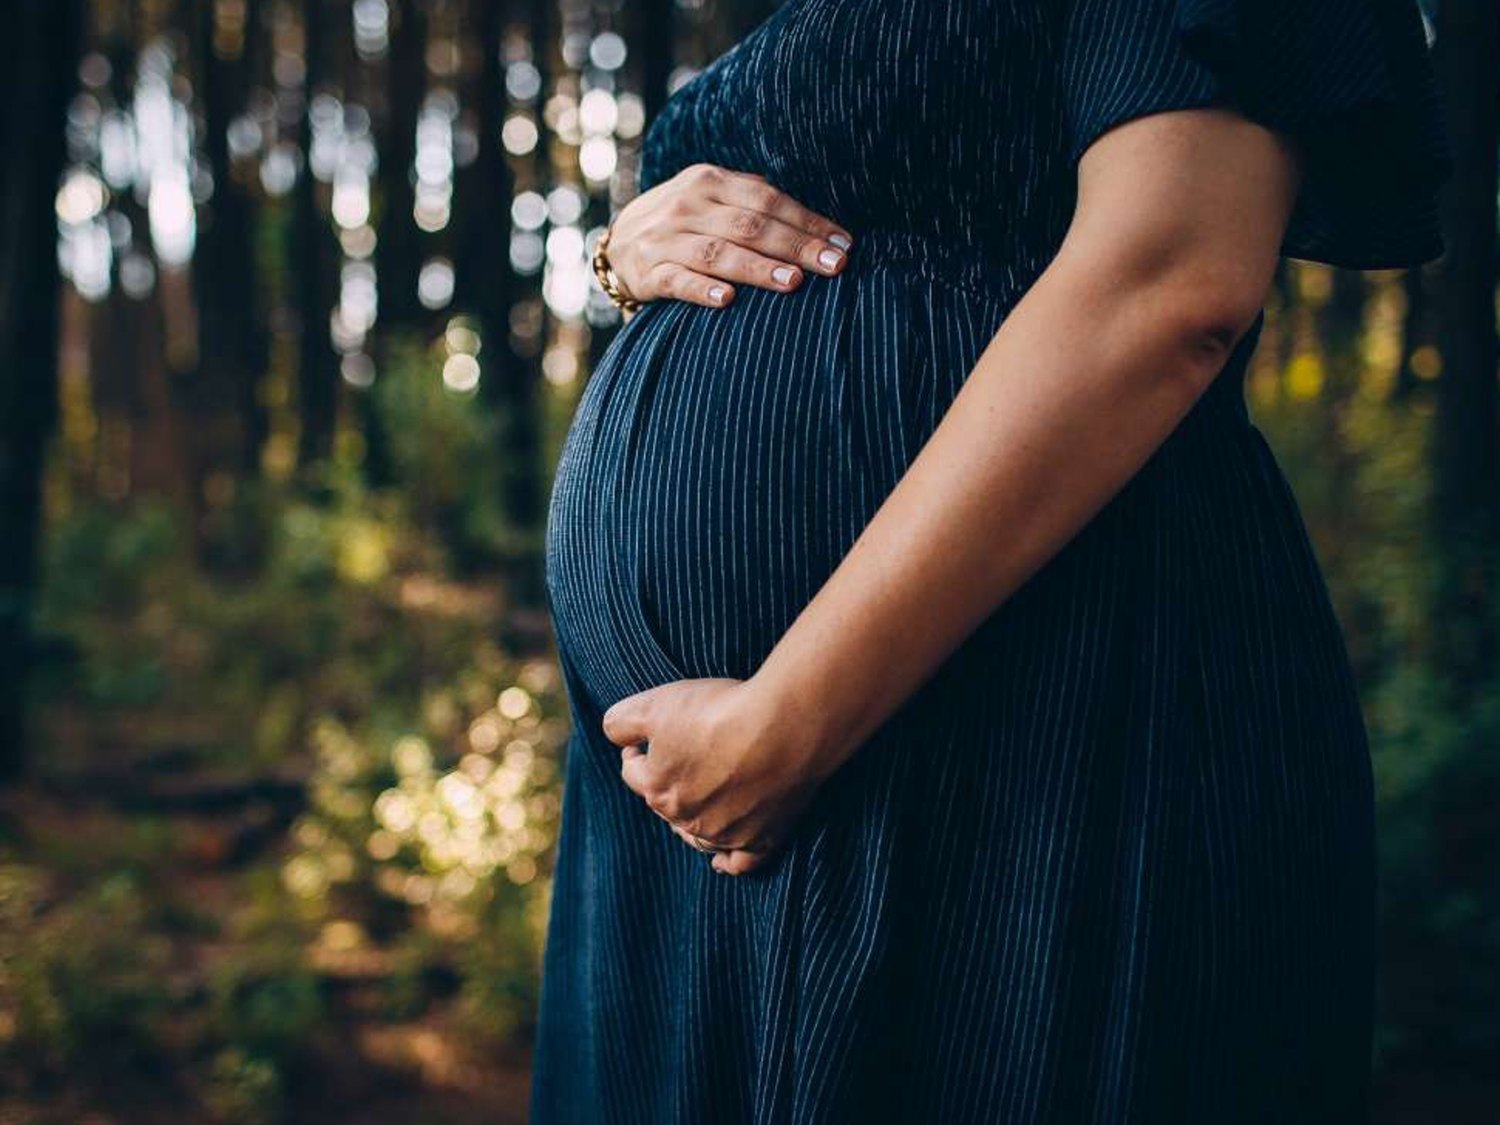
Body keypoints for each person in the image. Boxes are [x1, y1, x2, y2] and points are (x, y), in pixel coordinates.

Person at [531, 0, 1453, 1121]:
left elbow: (1168, 286)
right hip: (688, 820)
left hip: (1038, 722)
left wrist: (787, 719)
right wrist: (620, 255)